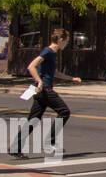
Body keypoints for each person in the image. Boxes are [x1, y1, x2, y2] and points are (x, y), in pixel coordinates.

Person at [12, 28, 79, 159]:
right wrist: (39, 81)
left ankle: (15, 148)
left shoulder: (53, 53)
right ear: (60, 40)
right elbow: (31, 66)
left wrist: (72, 79)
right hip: (45, 90)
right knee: (64, 112)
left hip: (41, 91)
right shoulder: (47, 51)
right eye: (66, 41)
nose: (66, 44)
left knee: (33, 120)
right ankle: (50, 141)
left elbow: (55, 73)